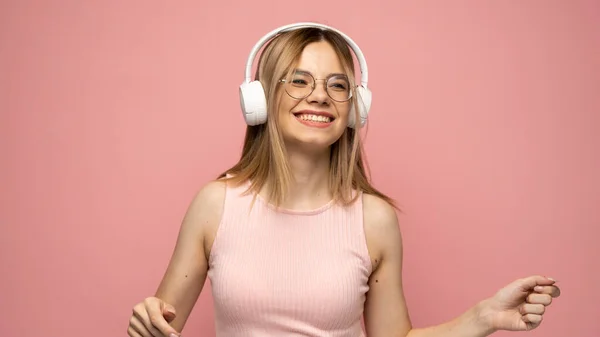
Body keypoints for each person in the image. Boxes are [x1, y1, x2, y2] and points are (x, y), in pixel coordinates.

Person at [126, 22, 561, 337]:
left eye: (338, 85)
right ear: (259, 99)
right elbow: (161, 327)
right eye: (298, 80)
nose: (319, 95)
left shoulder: (375, 219)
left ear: (354, 109)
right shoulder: (215, 205)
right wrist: (145, 325)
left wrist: (484, 317)